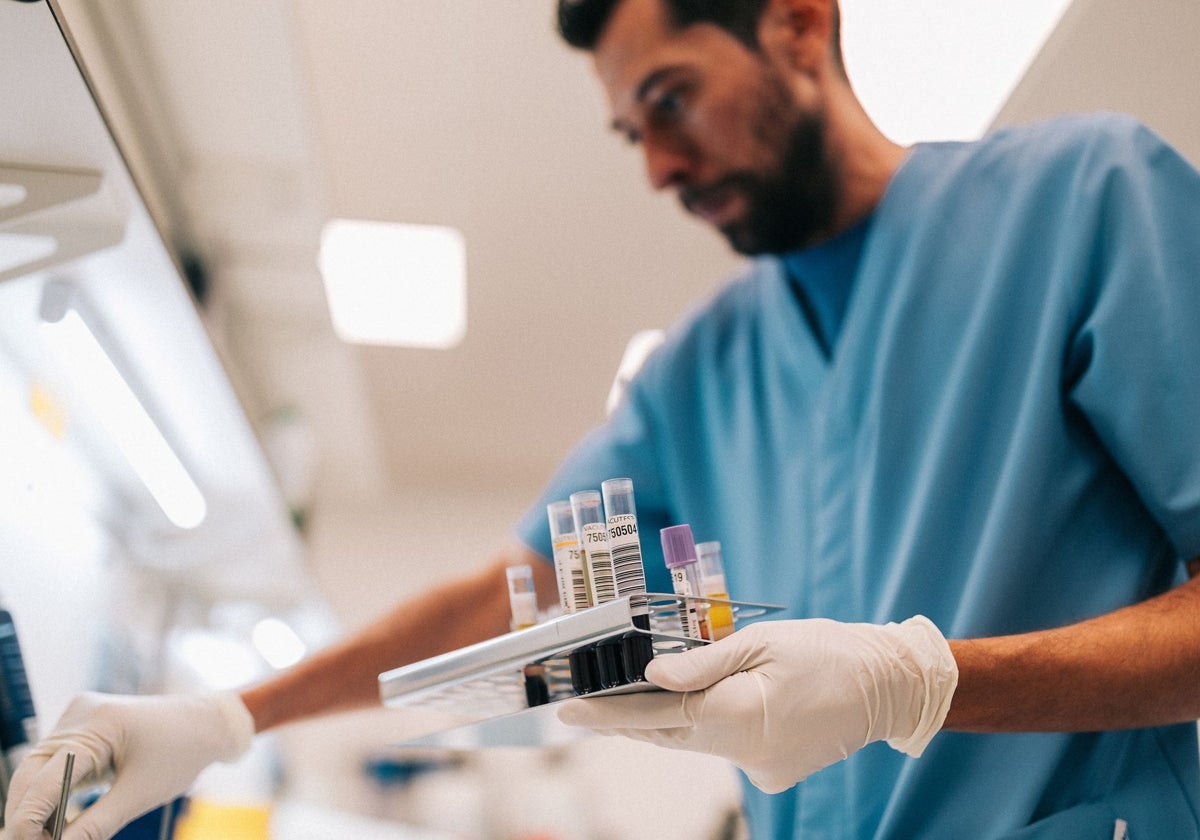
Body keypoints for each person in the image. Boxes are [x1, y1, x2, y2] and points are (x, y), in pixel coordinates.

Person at [7, 0, 1200, 837]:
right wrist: (228, 717)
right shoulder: (702, 370)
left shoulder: (1086, 205)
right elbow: (512, 603)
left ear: (798, 21)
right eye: (634, 132)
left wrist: (919, 681)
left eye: (672, 101)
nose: (658, 169)